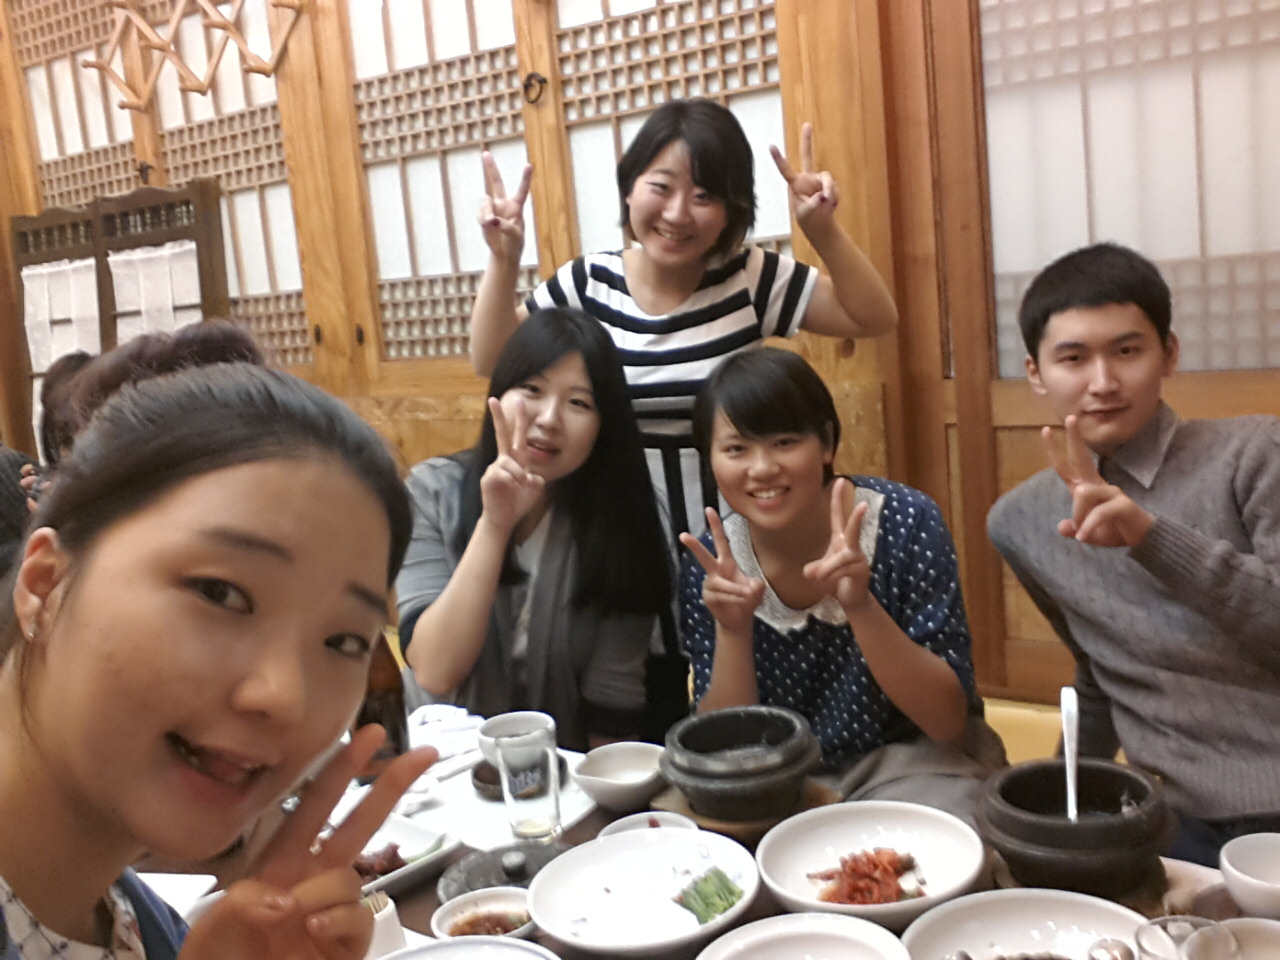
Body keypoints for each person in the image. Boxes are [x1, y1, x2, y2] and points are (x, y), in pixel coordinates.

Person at [0, 362, 435, 959]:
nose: (285, 695)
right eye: (220, 593)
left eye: (343, 641)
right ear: (46, 583)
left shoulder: (138, 925)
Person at [468, 98, 898, 538]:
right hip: (617, 539)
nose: (677, 213)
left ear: (731, 210)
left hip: (738, 540)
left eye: (704, 196)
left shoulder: (749, 277)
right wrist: (503, 259)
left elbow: (872, 317)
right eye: (661, 187)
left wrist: (823, 230)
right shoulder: (590, 282)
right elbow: (491, 359)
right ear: (629, 188)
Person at [987, 242, 1280, 866]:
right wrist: (1063, 798)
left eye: (1126, 351)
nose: (1102, 383)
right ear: (1036, 372)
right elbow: (1099, 670)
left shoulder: (1254, 454)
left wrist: (1152, 538)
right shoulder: (1019, 521)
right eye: (1073, 358)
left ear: (1168, 353)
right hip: (1163, 817)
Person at [679, 348, 1004, 821]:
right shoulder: (713, 563)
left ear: (827, 443)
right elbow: (724, 750)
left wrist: (860, 606)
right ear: (710, 459)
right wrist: (733, 630)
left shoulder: (905, 522)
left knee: (950, 842)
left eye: (785, 442)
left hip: (915, 768)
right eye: (736, 449)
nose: (763, 467)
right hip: (777, 785)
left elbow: (947, 722)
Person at [397, 308, 673, 751]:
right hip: (438, 765)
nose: (548, 418)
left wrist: (604, 788)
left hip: (562, 771)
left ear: (603, 426)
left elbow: (613, 709)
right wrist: (495, 524)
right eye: (532, 390)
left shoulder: (622, 520)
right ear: (498, 395)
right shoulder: (432, 492)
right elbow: (434, 670)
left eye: (578, 403)